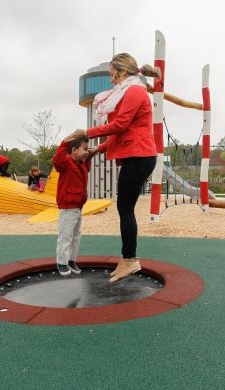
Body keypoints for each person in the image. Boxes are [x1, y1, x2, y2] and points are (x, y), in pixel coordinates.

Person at [75, 52, 160, 283]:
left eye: (113, 75)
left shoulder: (134, 91)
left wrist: (86, 133)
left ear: (123, 72)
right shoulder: (127, 91)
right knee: (124, 206)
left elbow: (119, 125)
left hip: (139, 155)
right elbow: (121, 132)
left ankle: (130, 260)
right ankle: (127, 259)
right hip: (137, 155)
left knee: (124, 207)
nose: (111, 80)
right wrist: (96, 149)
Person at [52, 130, 92, 276]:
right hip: (68, 206)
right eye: (84, 149)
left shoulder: (83, 164)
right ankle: (61, 262)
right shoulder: (66, 162)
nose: (86, 152)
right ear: (74, 150)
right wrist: (66, 141)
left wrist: (89, 154)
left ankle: (71, 260)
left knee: (76, 235)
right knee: (66, 235)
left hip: (78, 206)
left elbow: (88, 163)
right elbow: (57, 159)